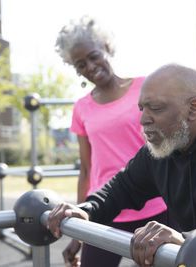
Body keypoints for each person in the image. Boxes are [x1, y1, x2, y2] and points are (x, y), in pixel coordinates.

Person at [47, 63, 196, 267]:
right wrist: (84, 209)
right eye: (142, 108)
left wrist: (189, 238)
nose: (143, 119)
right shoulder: (163, 147)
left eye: (155, 108)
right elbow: (122, 187)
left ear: (193, 108)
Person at [54, 16, 169, 267]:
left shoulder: (145, 87)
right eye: (81, 64)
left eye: (93, 56)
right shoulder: (81, 108)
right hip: (107, 209)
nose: (90, 67)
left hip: (157, 207)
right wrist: (79, 225)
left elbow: (170, 147)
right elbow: (86, 169)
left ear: (106, 47)